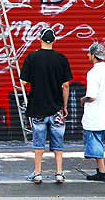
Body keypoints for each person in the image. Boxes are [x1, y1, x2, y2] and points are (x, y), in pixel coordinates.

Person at [21, 27, 73, 184]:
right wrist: (64, 106)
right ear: (55, 40)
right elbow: (65, 85)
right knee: (58, 142)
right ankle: (59, 173)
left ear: (40, 39)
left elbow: (23, 81)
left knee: (38, 142)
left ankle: (37, 173)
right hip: (57, 108)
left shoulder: (32, 58)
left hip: (38, 108)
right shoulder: (62, 59)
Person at [80, 43, 105, 182]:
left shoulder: (93, 72)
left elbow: (92, 96)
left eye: (89, 53)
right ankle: (101, 171)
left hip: (95, 114)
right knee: (98, 140)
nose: (87, 55)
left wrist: (83, 100)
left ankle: (102, 172)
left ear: (94, 55)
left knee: (95, 141)